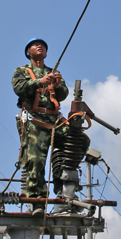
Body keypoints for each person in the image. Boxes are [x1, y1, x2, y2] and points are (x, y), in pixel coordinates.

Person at [12, 37, 88, 216]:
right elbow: (19, 88)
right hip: (34, 120)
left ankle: (62, 182)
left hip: (54, 120)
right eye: (35, 45)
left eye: (43, 46)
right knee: (36, 161)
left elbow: (62, 94)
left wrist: (55, 84)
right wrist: (40, 82)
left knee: (80, 140)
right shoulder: (22, 71)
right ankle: (37, 201)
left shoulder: (52, 71)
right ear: (28, 52)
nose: (40, 47)